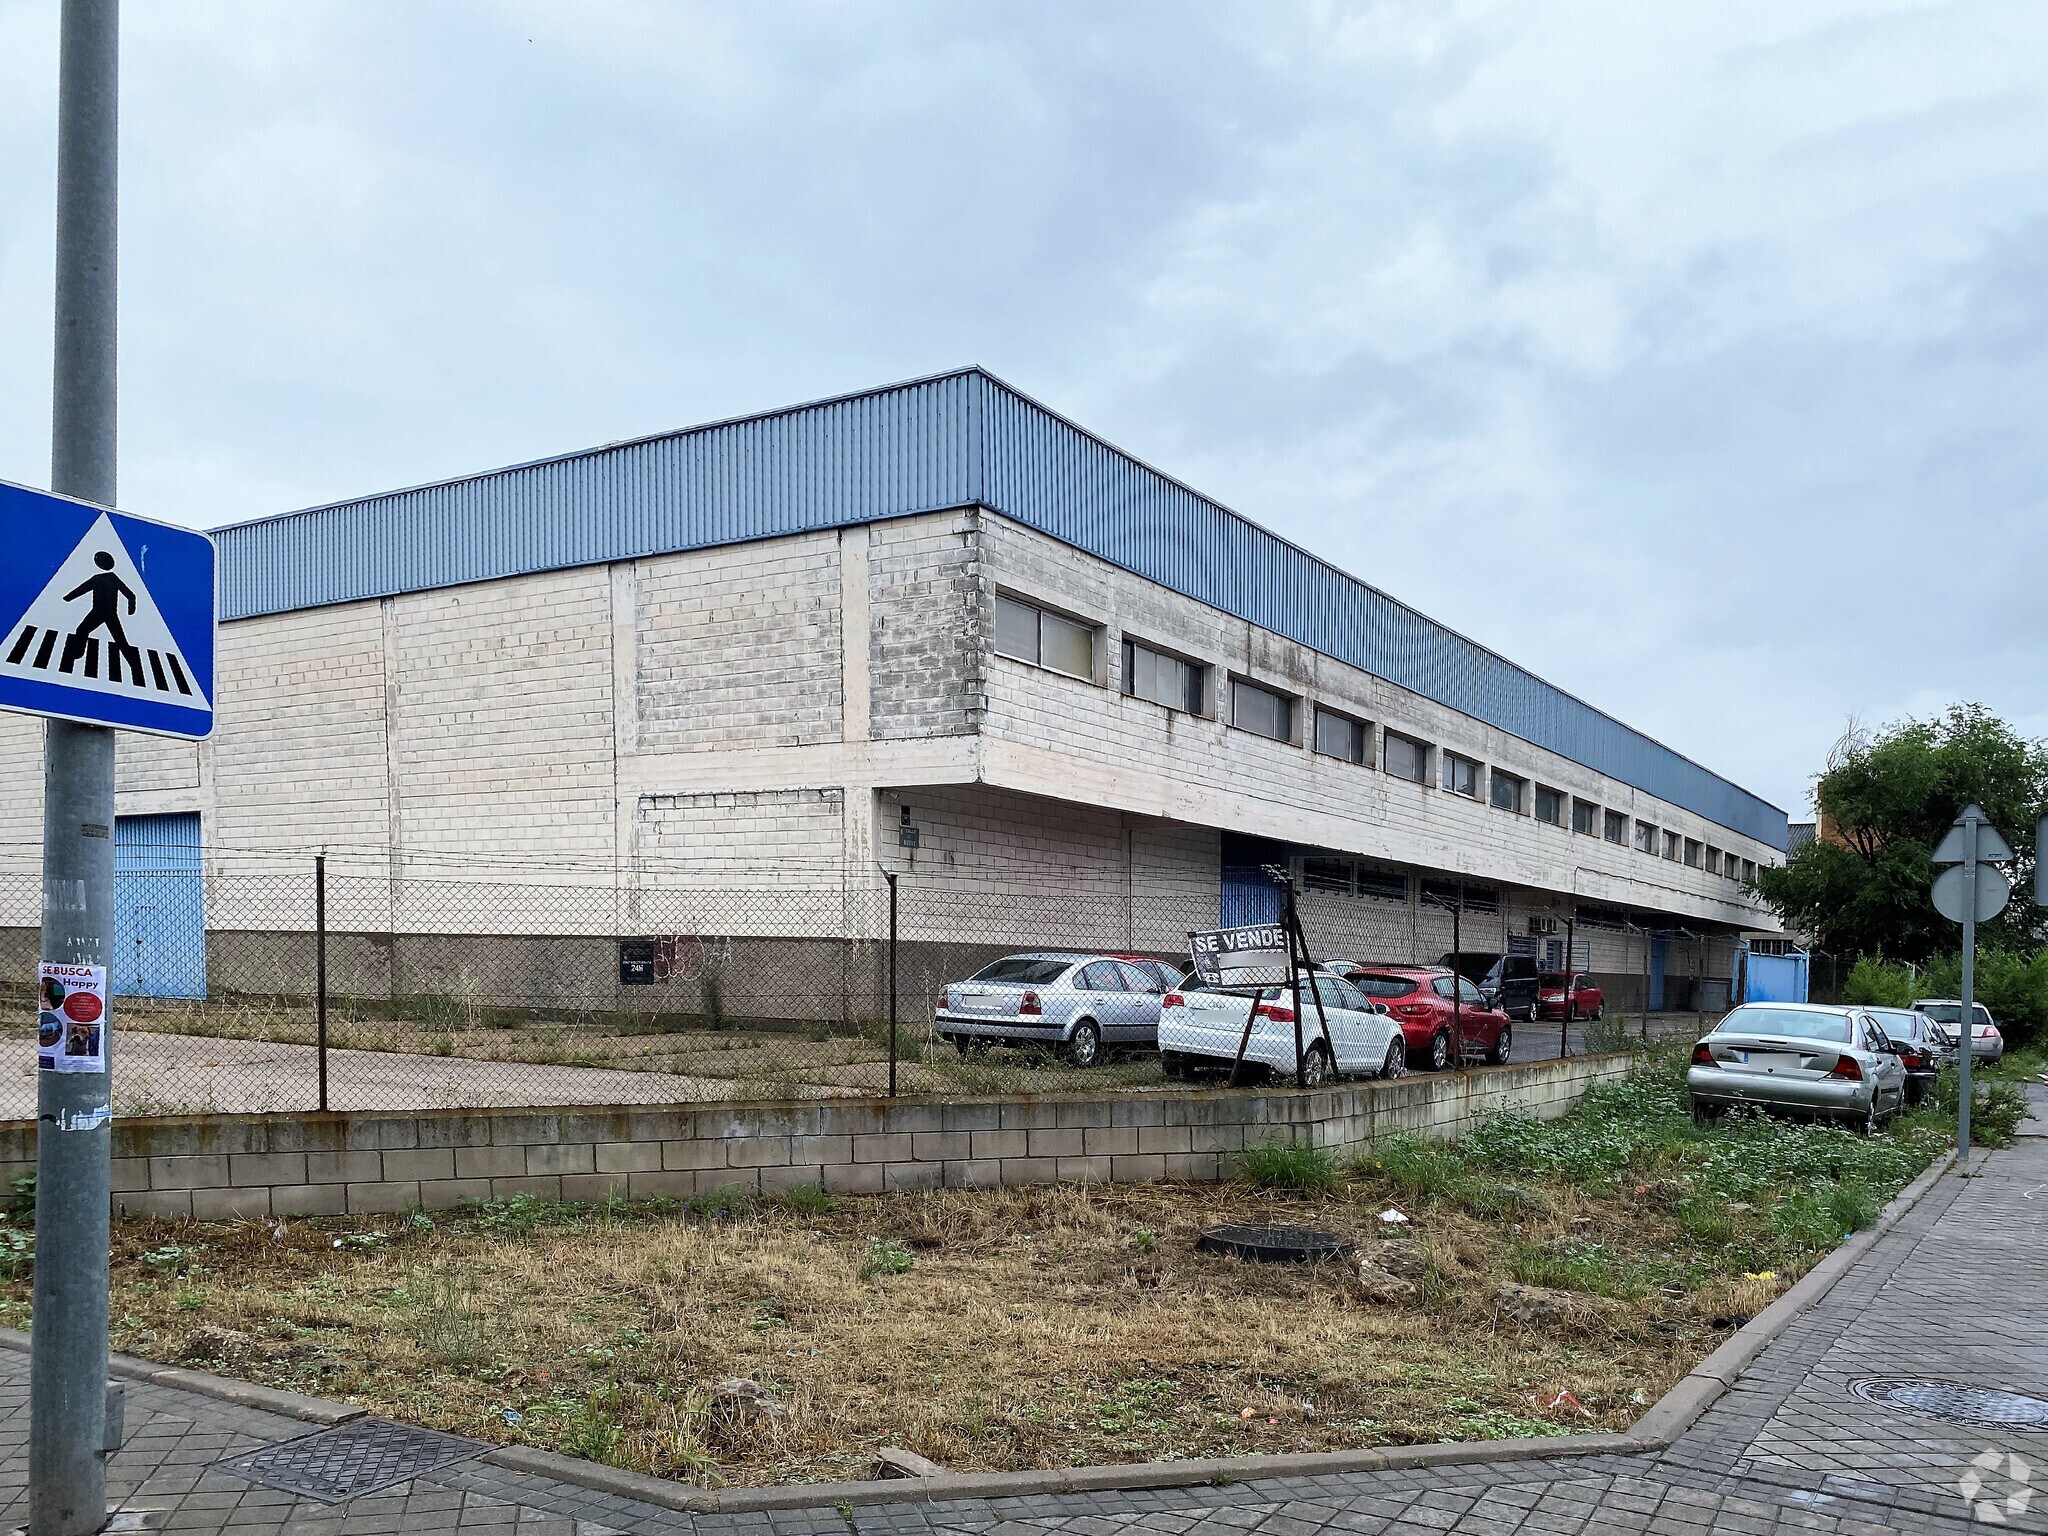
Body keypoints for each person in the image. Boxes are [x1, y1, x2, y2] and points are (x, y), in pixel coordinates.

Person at [63, 550, 136, 649]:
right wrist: (130, 610)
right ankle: (77, 652)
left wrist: (67, 598)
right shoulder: (113, 578)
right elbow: (131, 595)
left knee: (82, 630)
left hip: (98, 612)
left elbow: (81, 589)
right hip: (110, 613)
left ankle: (77, 652)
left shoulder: (97, 578)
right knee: (121, 640)